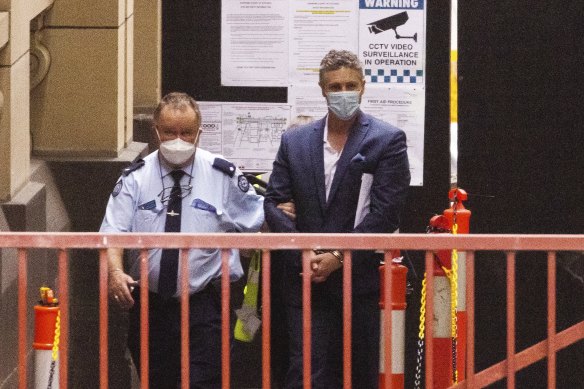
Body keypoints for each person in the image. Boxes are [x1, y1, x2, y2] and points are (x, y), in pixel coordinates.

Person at [264, 49, 410, 388]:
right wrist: (305, 249)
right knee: (306, 375)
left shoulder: (386, 140)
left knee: (359, 374)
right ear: (321, 90)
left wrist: (338, 256)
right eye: (334, 86)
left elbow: (385, 213)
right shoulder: (295, 141)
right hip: (305, 279)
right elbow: (273, 202)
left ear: (363, 87)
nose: (342, 93)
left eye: (349, 85)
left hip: (357, 283)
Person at [100, 92, 264, 388]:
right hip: (151, 306)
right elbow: (114, 232)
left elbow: (259, 218)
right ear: (156, 131)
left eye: (186, 132)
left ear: (199, 133)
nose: (178, 139)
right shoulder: (135, 178)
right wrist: (114, 271)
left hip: (206, 304)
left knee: (204, 382)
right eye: (170, 132)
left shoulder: (222, 175)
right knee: (158, 381)